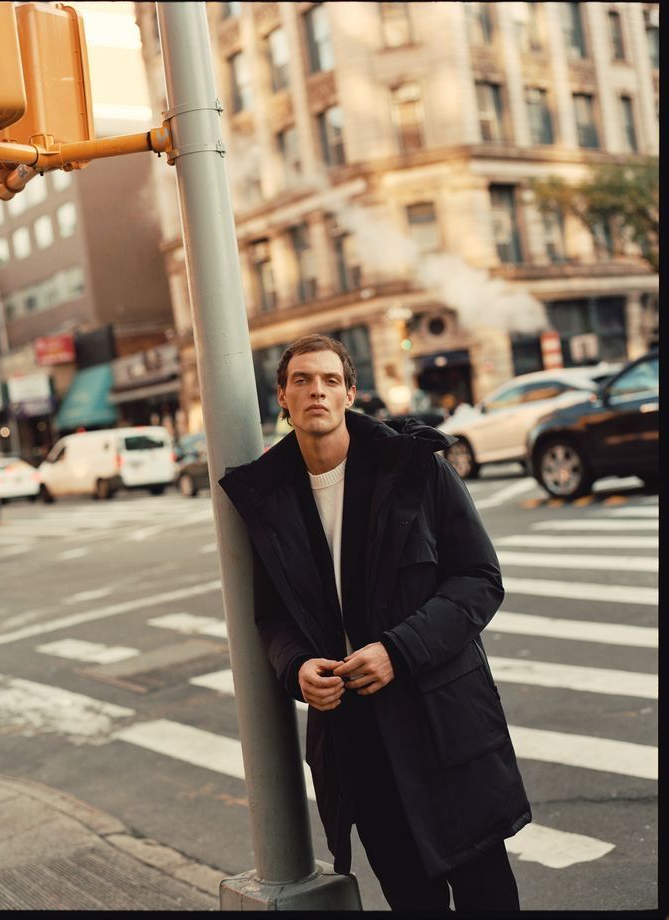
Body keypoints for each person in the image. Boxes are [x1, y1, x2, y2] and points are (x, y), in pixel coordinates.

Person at [219, 334, 530, 912]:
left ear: (350, 394)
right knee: (412, 898)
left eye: (330, 380)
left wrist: (398, 650)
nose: (317, 390)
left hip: (442, 720)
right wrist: (297, 668)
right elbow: (273, 615)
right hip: (357, 739)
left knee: (486, 893)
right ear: (282, 398)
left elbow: (479, 579)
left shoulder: (413, 468)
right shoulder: (268, 498)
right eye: (303, 381)